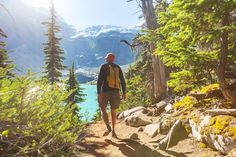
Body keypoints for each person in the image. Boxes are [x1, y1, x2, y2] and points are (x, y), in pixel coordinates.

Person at [97, 52, 126, 138]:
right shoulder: (118, 67)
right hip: (116, 92)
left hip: (105, 91)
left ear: (107, 59)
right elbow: (122, 80)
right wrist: (124, 92)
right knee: (113, 111)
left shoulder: (104, 66)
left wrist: (99, 93)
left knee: (103, 109)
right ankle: (113, 131)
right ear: (113, 59)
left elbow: (99, 80)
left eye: (106, 58)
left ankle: (108, 126)